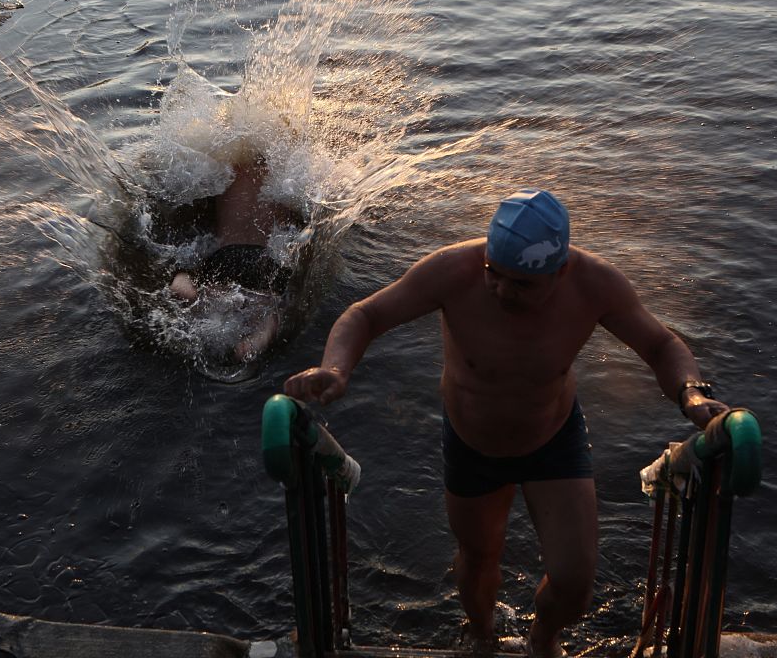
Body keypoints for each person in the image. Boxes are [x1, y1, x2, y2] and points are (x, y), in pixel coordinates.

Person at [284, 188, 730, 657]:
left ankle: (543, 637)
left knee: (576, 583)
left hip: (553, 442)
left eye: (521, 284)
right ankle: (481, 633)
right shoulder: (453, 271)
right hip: (471, 445)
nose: (501, 291)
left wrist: (691, 392)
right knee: (478, 561)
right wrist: (335, 369)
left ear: (560, 271)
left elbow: (661, 344)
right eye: (494, 275)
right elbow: (366, 314)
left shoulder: (596, 285)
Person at [170, 155, 295, 360]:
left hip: (224, 257)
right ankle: (264, 327)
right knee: (267, 301)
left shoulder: (228, 166)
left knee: (191, 280)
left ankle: (191, 291)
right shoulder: (286, 176)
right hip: (265, 259)